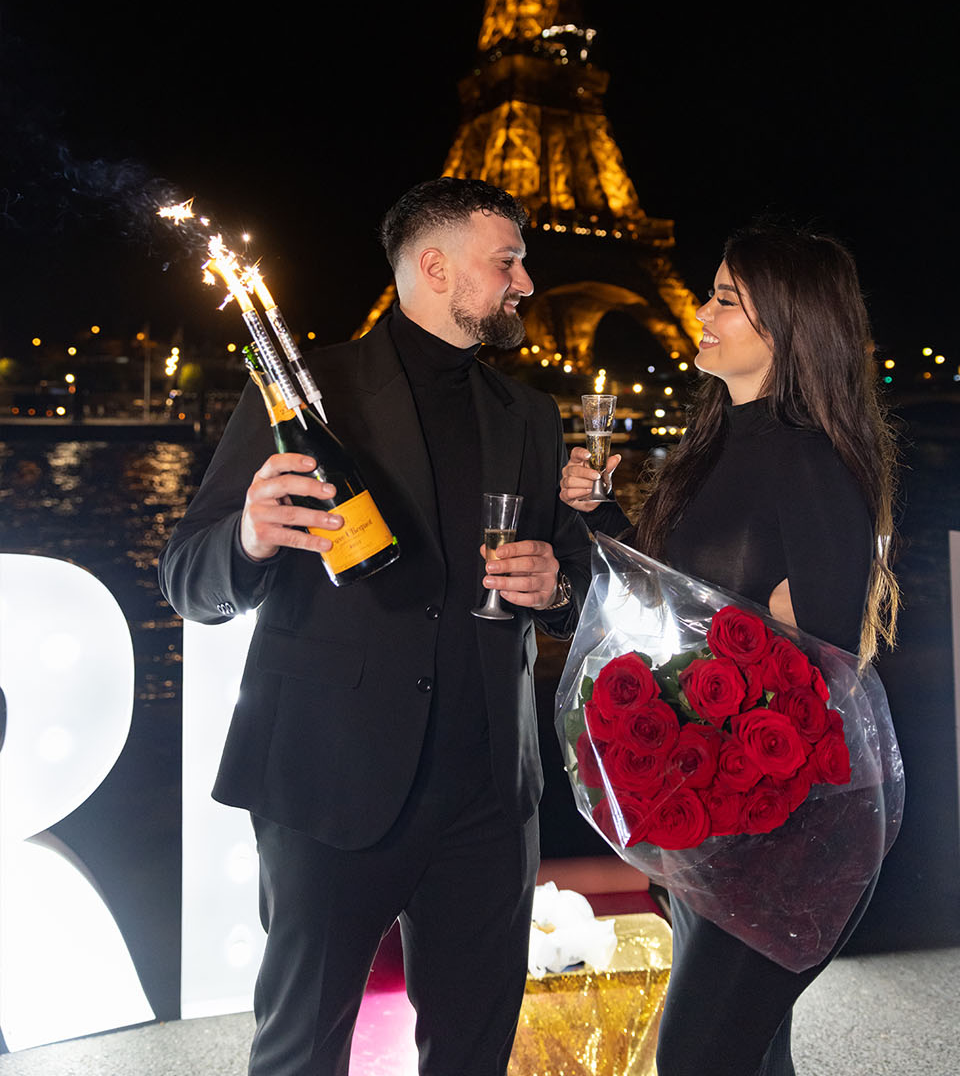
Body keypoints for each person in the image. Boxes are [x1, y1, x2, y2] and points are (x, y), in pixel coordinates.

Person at [159, 177, 591, 1076]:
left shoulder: (531, 417)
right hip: (329, 785)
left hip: (489, 802)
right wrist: (248, 537)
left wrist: (556, 586)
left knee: (473, 1055)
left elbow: (577, 582)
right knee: (301, 1052)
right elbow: (188, 581)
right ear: (435, 267)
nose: (526, 283)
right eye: (508, 262)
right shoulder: (303, 394)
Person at [560, 222, 900, 1076]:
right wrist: (605, 520)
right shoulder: (714, 447)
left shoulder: (810, 461)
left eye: (724, 299)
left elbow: (820, 673)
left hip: (786, 822)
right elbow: (683, 605)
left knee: (699, 1059)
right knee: (746, 1059)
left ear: (788, 323)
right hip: (715, 807)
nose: (701, 314)